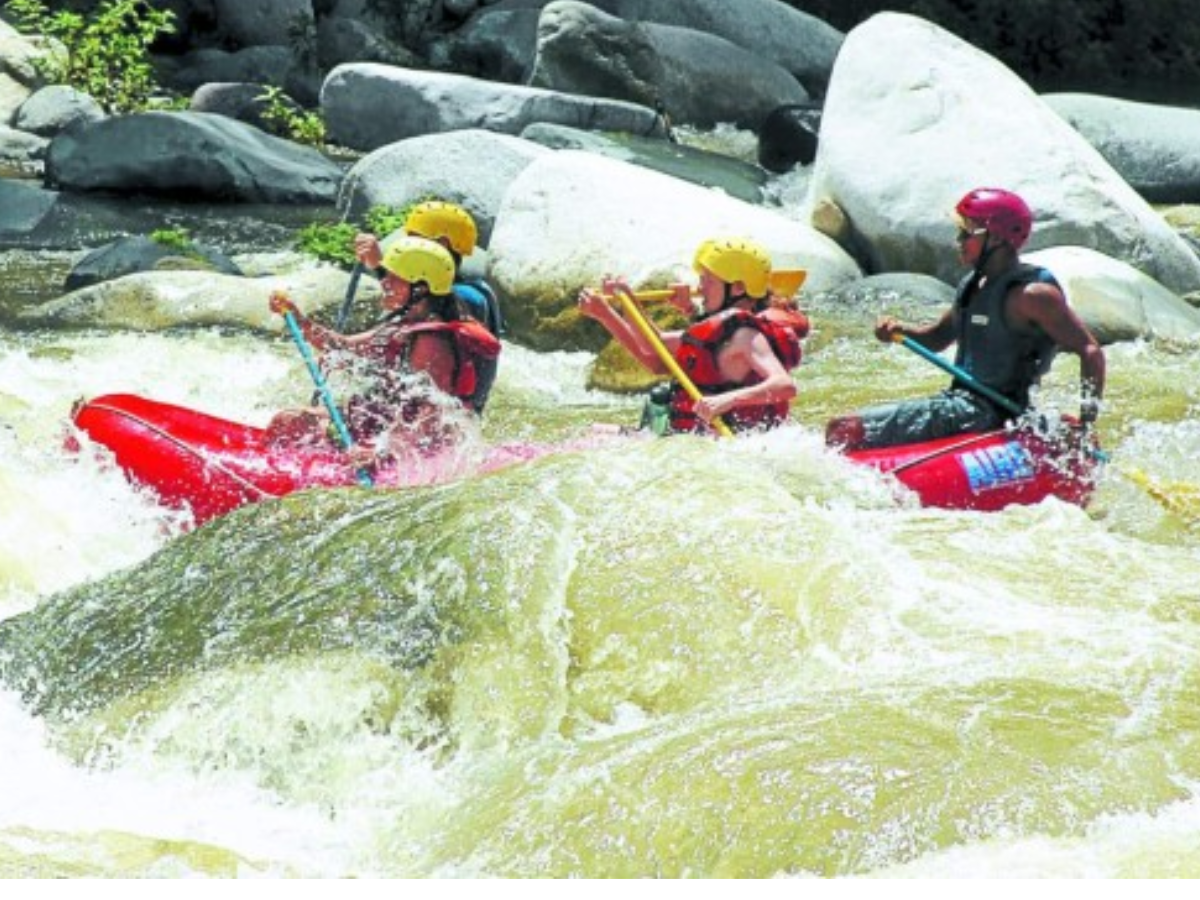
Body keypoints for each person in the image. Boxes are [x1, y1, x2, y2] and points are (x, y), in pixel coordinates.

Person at [825, 188, 1107, 451]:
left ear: (996, 238)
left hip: (994, 412)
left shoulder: (1032, 295)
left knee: (843, 429)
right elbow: (937, 339)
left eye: (966, 233)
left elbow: (1090, 351)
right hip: (960, 406)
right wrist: (900, 331)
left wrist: (1086, 422)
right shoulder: (974, 285)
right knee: (843, 429)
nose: (958, 241)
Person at [266, 236, 501, 470]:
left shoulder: (431, 342)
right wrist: (298, 319)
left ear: (421, 288)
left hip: (415, 446)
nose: (384, 282)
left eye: (394, 278)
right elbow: (340, 345)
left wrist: (380, 454)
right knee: (289, 421)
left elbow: (430, 413)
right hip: (389, 426)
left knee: (290, 425)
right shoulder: (406, 324)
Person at [577, 238, 807, 435]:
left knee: (594, 435)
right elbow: (656, 361)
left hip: (714, 440)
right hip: (693, 435)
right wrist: (606, 314)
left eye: (708, 280)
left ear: (737, 288)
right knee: (596, 431)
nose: (700, 286)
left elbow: (784, 386)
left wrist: (727, 400)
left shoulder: (744, 335)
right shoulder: (731, 328)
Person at [354, 200, 503, 414]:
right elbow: (413, 296)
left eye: (414, 238)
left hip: (441, 421)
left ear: (441, 244)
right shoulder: (462, 289)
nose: (406, 246)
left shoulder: (467, 297)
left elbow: (414, 308)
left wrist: (380, 267)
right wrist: (379, 267)